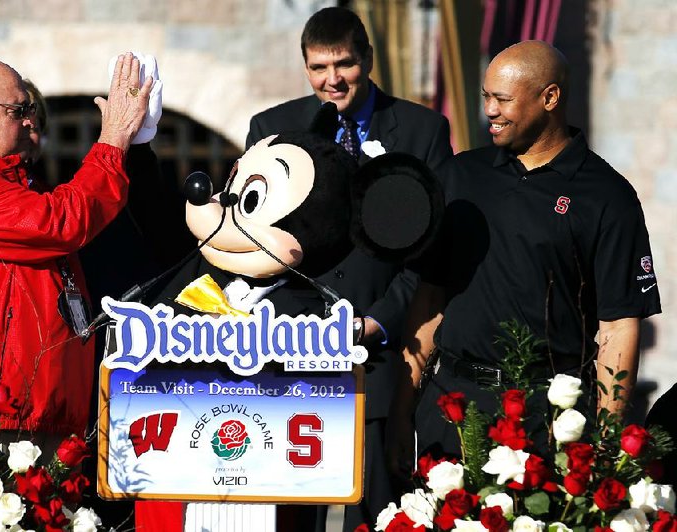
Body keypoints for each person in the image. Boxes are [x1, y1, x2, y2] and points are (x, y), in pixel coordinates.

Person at [401, 40, 661, 460]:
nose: (489, 110)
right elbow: (429, 300)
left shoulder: (607, 196)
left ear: (550, 97)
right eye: (486, 96)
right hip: (451, 408)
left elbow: (618, 327)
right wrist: (402, 411)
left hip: (550, 418)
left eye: (502, 99)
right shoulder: (460, 176)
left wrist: (607, 441)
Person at [246, 7, 452, 531]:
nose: (331, 79)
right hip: (289, 355)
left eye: (343, 64)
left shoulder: (423, 130)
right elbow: (255, 243)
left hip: (380, 355)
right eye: (318, 68)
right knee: (291, 513)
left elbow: (431, 252)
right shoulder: (271, 129)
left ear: (368, 60)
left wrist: (379, 323)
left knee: (378, 512)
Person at [0, 53, 152, 445]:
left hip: (38, 417)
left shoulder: (12, 182)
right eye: (17, 109)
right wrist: (113, 140)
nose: (28, 120)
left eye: (30, 109)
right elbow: (61, 222)